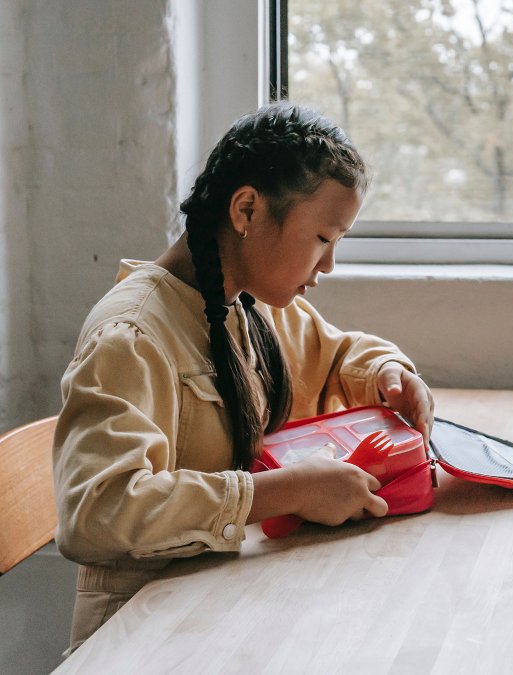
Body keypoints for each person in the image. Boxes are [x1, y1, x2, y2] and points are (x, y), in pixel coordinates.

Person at [52, 103, 434, 650]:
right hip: (137, 634)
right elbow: (100, 510)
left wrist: (389, 373)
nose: (328, 265)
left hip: (219, 605)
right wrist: (284, 492)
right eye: (324, 238)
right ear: (247, 209)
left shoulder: (248, 306)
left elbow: (335, 355)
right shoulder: (130, 337)